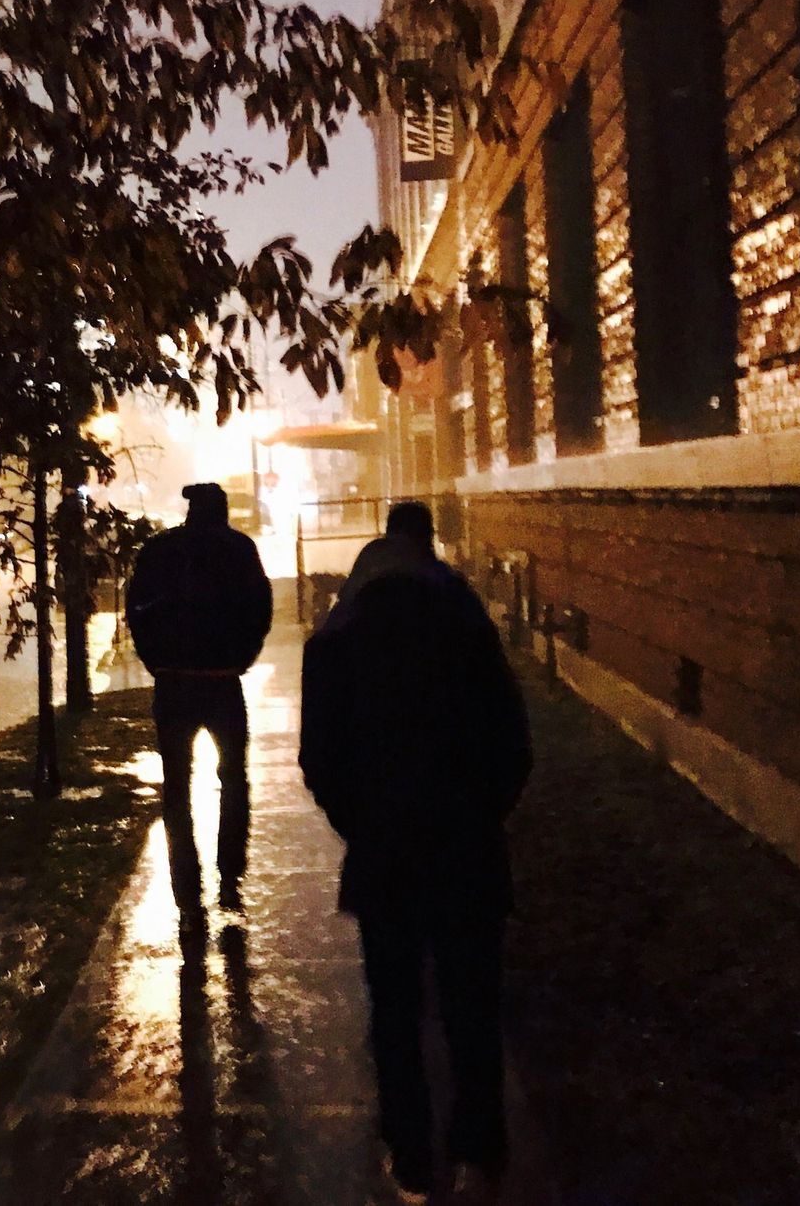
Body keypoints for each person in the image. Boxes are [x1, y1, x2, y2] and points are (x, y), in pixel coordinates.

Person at [299, 501, 530, 1204]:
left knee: (394, 1008)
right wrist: (479, 814)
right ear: (428, 543)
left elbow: (321, 760)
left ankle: (410, 1159)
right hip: (466, 848)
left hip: (385, 854)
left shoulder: (336, 639)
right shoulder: (466, 626)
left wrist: (363, 823)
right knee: (472, 1005)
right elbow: (512, 744)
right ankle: (479, 1152)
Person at [125, 483, 274, 936]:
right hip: (222, 683)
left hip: (174, 683)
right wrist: (241, 658)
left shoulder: (161, 550)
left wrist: (155, 658)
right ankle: (230, 876)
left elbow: (137, 608)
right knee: (233, 778)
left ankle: (186, 893)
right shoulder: (238, 549)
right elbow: (260, 608)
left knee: (177, 789)